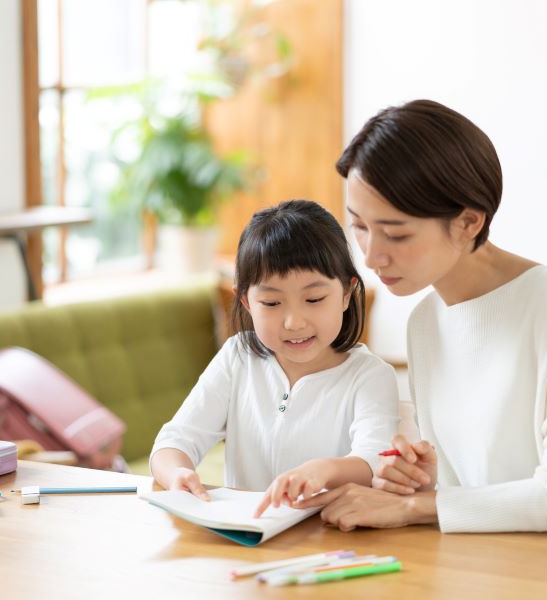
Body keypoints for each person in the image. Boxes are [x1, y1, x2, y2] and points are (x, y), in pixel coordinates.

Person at [296, 100, 547, 545]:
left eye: (396, 233)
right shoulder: (425, 324)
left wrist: (415, 507)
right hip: (510, 566)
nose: (371, 255)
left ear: (468, 222)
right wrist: (427, 484)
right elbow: (487, 490)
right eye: (359, 226)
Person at [149, 199, 400, 517]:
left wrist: (323, 470)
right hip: (247, 536)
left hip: (329, 537)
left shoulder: (369, 375)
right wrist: (176, 474)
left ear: (347, 294)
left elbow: (375, 460)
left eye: (314, 298)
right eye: (271, 303)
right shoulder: (237, 357)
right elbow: (175, 440)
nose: (294, 321)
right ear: (246, 300)